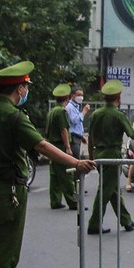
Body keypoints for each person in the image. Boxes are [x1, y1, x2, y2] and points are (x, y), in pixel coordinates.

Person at [0, 61, 95, 268]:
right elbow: (40, 145)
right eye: (25, 87)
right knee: (7, 250)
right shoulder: (15, 116)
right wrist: (76, 162)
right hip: (10, 191)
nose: (26, 91)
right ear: (19, 89)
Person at [87, 81, 134, 235]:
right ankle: (94, 224)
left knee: (112, 189)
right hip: (113, 155)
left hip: (99, 154)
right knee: (105, 190)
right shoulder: (118, 115)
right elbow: (133, 135)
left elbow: (90, 138)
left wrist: (91, 157)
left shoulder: (96, 114)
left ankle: (126, 220)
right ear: (118, 97)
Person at [44, 83, 78, 211]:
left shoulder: (52, 111)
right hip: (60, 147)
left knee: (54, 176)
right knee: (67, 175)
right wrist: (68, 147)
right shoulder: (61, 112)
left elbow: (47, 131)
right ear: (68, 97)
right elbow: (64, 130)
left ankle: (55, 201)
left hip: (52, 146)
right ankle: (73, 202)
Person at [66, 87, 89, 159]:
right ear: (72, 95)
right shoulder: (70, 107)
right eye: (78, 95)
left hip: (77, 137)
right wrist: (84, 112)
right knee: (75, 160)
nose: (81, 97)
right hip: (73, 138)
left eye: (82, 95)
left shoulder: (76, 106)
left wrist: (81, 136)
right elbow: (74, 121)